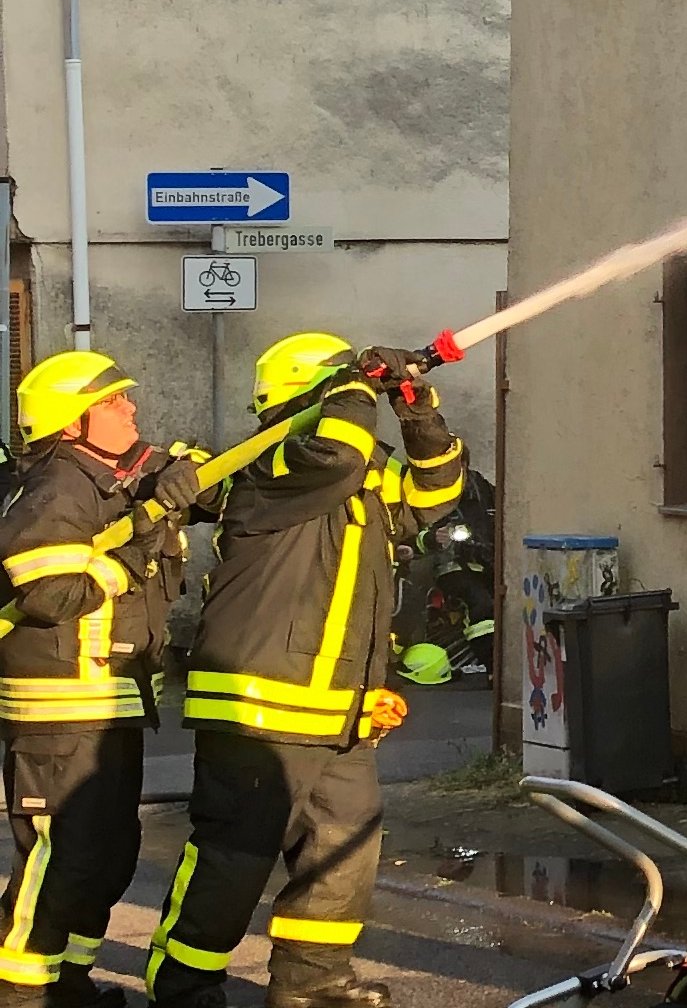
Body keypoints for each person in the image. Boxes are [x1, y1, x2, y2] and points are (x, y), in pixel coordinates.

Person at [148, 334, 464, 1008]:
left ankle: (312, 984)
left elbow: (438, 494)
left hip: (336, 708)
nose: (358, 396)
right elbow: (338, 454)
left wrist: (415, 408)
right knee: (236, 853)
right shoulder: (271, 462)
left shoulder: (360, 467)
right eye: (344, 385)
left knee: (344, 847)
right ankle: (183, 984)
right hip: (258, 702)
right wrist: (354, 383)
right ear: (310, 395)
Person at [0, 353, 206, 1008]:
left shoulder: (111, 484)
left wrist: (170, 488)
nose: (131, 409)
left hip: (109, 704)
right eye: (114, 402)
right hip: (61, 712)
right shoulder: (57, 489)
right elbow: (50, 593)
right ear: (72, 421)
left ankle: (69, 982)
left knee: (106, 855)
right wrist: (140, 541)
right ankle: (20, 992)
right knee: (58, 861)